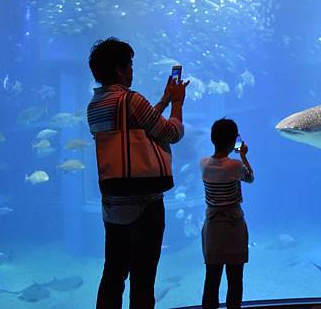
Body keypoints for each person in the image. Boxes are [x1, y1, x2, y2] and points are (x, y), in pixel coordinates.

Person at [87, 37, 189, 309]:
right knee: (143, 279)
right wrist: (177, 103)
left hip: (113, 204)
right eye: (130, 65)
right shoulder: (130, 99)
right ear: (119, 69)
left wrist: (164, 99)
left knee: (113, 274)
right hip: (144, 203)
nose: (132, 71)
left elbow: (136, 128)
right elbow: (171, 132)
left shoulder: (95, 106)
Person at [200, 118, 254, 309]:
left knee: (211, 280)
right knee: (235, 280)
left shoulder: (203, 164)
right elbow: (250, 177)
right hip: (233, 228)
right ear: (234, 142)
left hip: (213, 228)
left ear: (213, 139)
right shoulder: (235, 166)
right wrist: (243, 155)